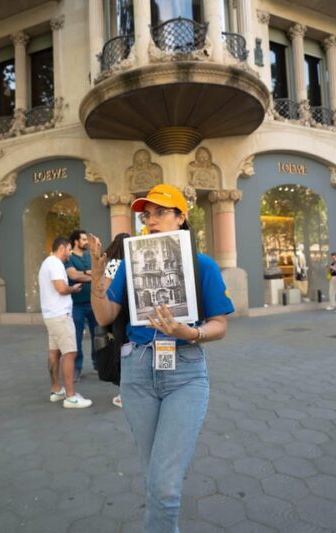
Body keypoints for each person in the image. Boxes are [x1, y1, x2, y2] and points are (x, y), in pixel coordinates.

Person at [88, 184, 234, 533]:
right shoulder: (128, 265)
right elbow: (105, 316)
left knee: (166, 486)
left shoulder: (202, 265)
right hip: (137, 371)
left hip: (185, 372)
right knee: (154, 475)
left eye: (160, 212)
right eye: (146, 215)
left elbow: (220, 326)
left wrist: (191, 333)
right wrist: (97, 275)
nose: (150, 220)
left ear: (182, 217)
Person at [38, 236, 92, 409]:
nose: (70, 253)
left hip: (51, 315)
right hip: (60, 315)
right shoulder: (55, 263)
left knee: (54, 353)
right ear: (62, 248)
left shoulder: (47, 263)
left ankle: (56, 390)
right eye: (69, 249)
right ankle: (71, 396)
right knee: (70, 353)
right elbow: (61, 288)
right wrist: (73, 289)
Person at [65, 229, 97, 382]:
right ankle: (77, 368)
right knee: (76, 337)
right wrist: (89, 274)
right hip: (76, 304)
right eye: (84, 239)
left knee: (98, 336)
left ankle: (99, 365)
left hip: (94, 303)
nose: (86, 242)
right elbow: (73, 275)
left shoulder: (89, 256)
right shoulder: (69, 258)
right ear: (76, 241)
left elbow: (98, 272)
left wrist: (88, 274)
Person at [102, 232, 130, 408]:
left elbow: (105, 288)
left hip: (117, 311)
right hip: (132, 311)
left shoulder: (113, 264)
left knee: (121, 349)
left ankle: (123, 393)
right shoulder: (132, 263)